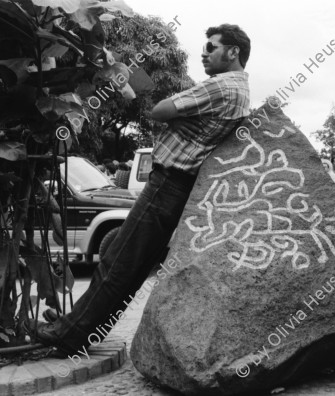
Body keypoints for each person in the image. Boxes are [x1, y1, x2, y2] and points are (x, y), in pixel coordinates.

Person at [28, 23, 252, 355]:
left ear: (233, 52)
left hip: (168, 183)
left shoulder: (223, 86)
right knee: (128, 264)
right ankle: (82, 329)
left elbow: (160, 111)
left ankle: (70, 333)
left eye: (211, 47)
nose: (203, 53)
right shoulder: (240, 89)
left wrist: (164, 107)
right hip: (176, 186)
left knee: (118, 261)